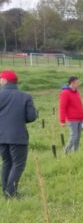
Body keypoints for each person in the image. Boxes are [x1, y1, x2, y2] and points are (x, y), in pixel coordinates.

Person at [0, 70, 37, 199]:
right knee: (18, 164)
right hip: (18, 136)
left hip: (1, 136)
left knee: (6, 162)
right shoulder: (25, 96)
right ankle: (10, 192)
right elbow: (32, 117)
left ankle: (6, 190)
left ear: (4, 80)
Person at [59, 76, 83, 153]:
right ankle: (66, 152)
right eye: (77, 82)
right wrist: (62, 120)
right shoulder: (65, 93)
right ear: (72, 83)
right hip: (72, 119)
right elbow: (62, 107)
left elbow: (80, 106)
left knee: (78, 137)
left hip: (80, 119)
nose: (79, 84)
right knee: (74, 136)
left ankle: (75, 153)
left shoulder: (77, 92)